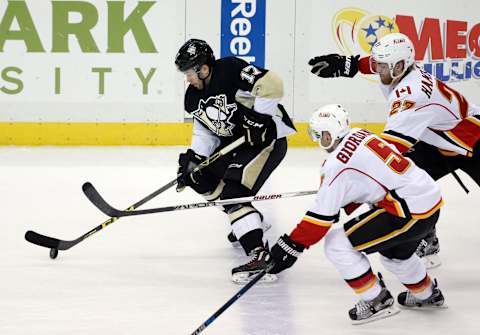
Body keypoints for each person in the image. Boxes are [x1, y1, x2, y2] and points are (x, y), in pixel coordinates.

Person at [307, 32, 480, 268]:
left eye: (383, 66)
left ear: (400, 66)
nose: (378, 69)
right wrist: (347, 65)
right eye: (378, 63)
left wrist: (347, 181)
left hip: (475, 143)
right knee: (400, 182)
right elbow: (374, 62)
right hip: (441, 145)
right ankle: (425, 239)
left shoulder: (410, 95)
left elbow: (389, 150)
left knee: (387, 174)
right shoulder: (398, 68)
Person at [268, 104, 446, 324]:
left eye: (318, 135)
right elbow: (368, 179)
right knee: (395, 256)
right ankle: (427, 295)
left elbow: (318, 221)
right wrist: (335, 195)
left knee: (336, 243)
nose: (318, 141)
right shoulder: (360, 133)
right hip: (428, 201)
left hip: (408, 211)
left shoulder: (336, 165)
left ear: (328, 134)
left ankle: (377, 300)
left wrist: (289, 247)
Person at [174, 38, 296, 284]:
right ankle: (249, 220)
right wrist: (195, 158)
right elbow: (204, 132)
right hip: (236, 147)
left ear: (204, 67)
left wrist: (260, 119)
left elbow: (272, 83)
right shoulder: (192, 97)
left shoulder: (229, 69)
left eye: (190, 71)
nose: (188, 78)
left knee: (233, 194)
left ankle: (260, 255)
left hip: (266, 141)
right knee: (201, 178)